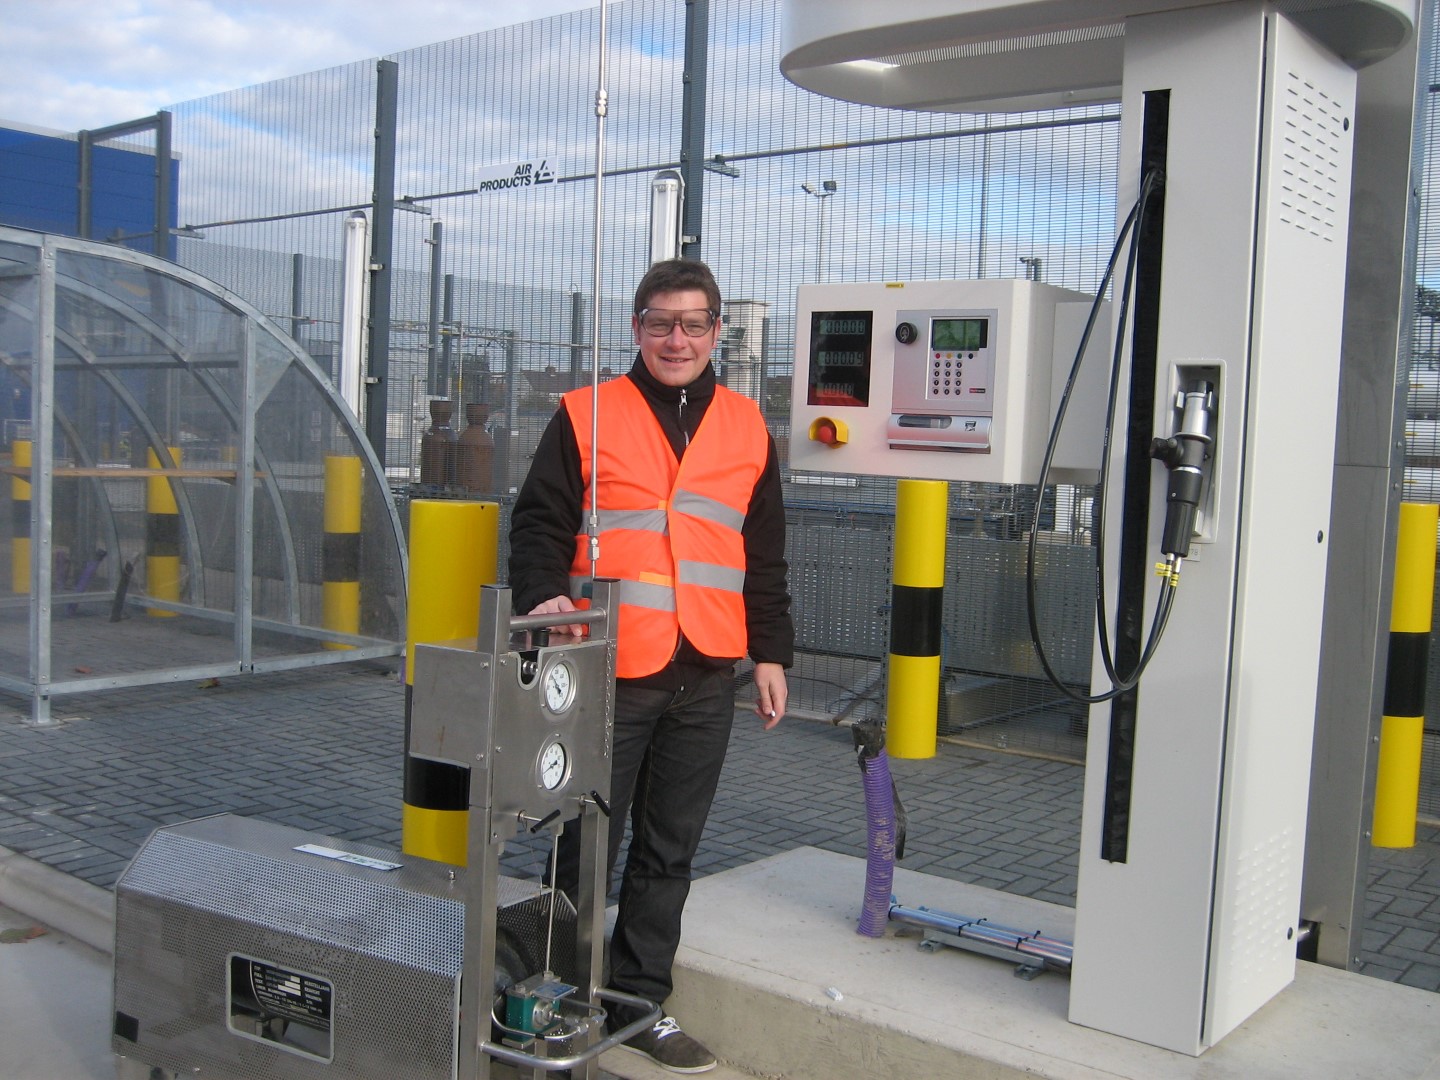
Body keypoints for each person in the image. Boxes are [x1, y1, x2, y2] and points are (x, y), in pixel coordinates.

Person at [508, 258, 793, 1074]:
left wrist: (772, 654)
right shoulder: (587, 413)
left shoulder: (746, 426)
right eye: (661, 322)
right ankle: (560, 1002)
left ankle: (638, 1006)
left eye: (694, 324)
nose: (677, 339)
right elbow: (539, 522)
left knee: (670, 851)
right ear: (637, 328)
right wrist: (543, 595)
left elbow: (764, 555)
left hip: (706, 673)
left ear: (715, 333)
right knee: (583, 846)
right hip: (611, 668)